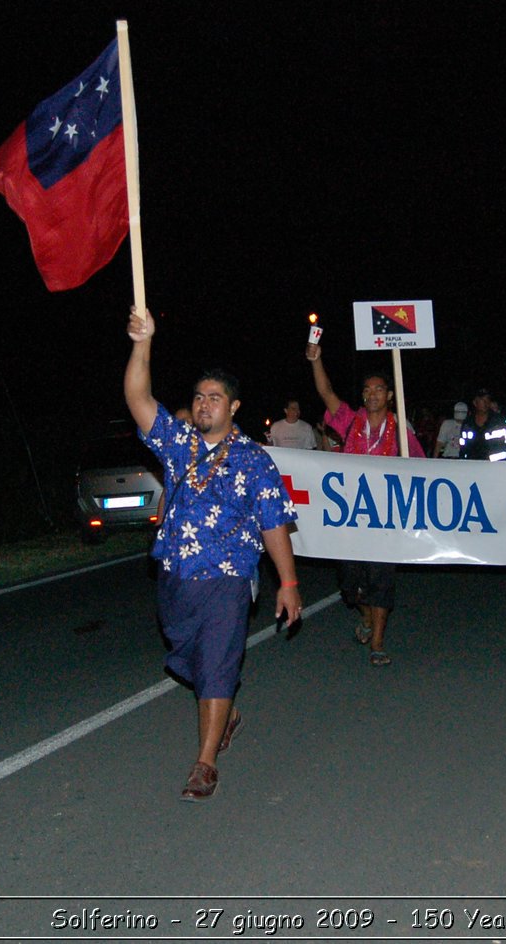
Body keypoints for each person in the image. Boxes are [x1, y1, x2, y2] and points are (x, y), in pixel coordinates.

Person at [125, 307, 301, 802]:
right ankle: (230, 714)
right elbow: (138, 398)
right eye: (199, 397)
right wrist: (143, 343)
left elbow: (273, 524)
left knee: (219, 663)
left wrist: (287, 583)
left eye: (215, 398)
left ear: (234, 406)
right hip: (177, 577)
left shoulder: (254, 459)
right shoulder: (178, 444)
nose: (204, 405)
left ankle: (204, 764)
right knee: (193, 660)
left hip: (229, 577)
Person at [307, 343, 425, 666]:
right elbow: (326, 391)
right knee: (350, 586)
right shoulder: (350, 421)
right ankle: (369, 617)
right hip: (351, 520)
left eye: (379, 389)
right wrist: (316, 359)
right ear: (363, 396)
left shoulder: (401, 430)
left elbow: (425, 469)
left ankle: (377, 644)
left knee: (381, 582)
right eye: (367, 390)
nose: (372, 394)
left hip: (385, 521)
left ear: (389, 395)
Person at [457, 388, 506, 461]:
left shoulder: (498, 421)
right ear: (475, 403)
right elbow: (463, 446)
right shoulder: (468, 423)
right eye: (482, 400)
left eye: (487, 400)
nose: (486, 403)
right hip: (472, 464)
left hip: (494, 465)